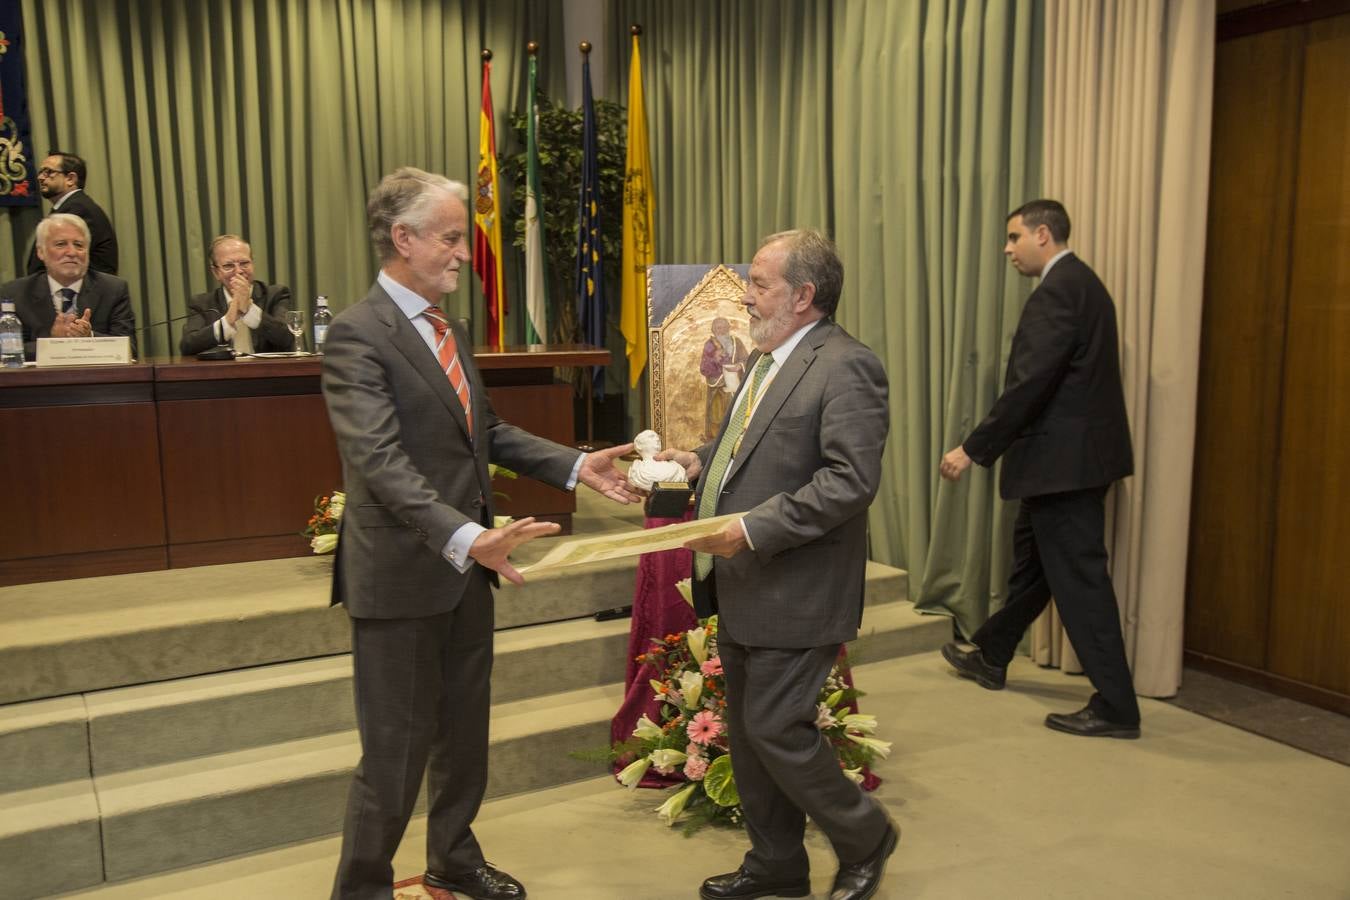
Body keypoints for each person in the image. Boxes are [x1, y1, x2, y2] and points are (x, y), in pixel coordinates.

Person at [322, 166, 638, 900]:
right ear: (403, 238)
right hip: (404, 577)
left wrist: (576, 464)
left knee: (463, 739)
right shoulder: (356, 335)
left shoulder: (447, 327)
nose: (466, 253)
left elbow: (484, 430)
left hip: (467, 571)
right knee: (394, 757)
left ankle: (453, 857)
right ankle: (359, 890)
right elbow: (378, 462)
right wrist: (467, 536)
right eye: (453, 237)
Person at [659, 229, 896, 900]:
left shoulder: (846, 364)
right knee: (749, 732)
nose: (746, 294)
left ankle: (865, 835)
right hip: (744, 583)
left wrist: (752, 529)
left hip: (798, 584)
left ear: (803, 295)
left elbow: (850, 481)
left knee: (772, 726)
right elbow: (750, 445)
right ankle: (776, 863)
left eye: (758, 283)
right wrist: (699, 459)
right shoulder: (767, 360)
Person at [938, 199, 1139, 739]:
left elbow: (1030, 385)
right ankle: (992, 653)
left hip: (1062, 466)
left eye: (1013, 237)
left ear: (1043, 234)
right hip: (1065, 465)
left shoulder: (1057, 292)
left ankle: (1117, 706)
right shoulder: (1083, 284)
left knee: (1079, 581)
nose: (1007, 249)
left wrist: (973, 449)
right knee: (1033, 568)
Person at [2, 213, 136, 360]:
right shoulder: (15, 293)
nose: (72, 253)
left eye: (79, 245)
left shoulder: (113, 289)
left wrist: (89, 337)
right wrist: (52, 342)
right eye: (61, 244)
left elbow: (130, 349)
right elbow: (5, 351)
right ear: (41, 252)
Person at [179, 235, 295, 355]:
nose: (239, 271)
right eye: (228, 266)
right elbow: (188, 347)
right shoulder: (202, 303)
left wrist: (249, 310)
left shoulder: (276, 294)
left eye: (244, 263)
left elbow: (288, 338)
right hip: (223, 373)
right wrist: (228, 320)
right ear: (216, 272)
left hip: (268, 372)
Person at [28, 151, 119, 276]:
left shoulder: (78, 209)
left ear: (70, 179)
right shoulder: (70, 206)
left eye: (48, 172)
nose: (40, 177)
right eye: (41, 172)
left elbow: (54, 261)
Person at [699, 316, 748, 441]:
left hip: (736, 386)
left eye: (723, 327)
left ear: (728, 328)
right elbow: (704, 368)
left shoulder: (737, 342)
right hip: (718, 389)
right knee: (717, 416)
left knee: (736, 413)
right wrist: (715, 360)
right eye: (717, 328)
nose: (720, 330)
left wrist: (739, 366)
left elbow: (746, 360)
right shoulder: (709, 345)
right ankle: (716, 441)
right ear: (713, 330)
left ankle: (735, 439)